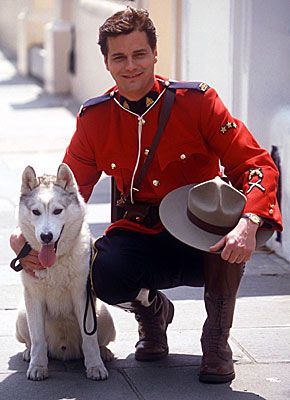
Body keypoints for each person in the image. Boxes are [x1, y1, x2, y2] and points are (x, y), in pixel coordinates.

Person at [10, 7, 282, 384]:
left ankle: (216, 340)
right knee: (100, 269)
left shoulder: (197, 102)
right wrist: (30, 240)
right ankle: (152, 313)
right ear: (106, 62)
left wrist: (250, 222)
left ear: (155, 54)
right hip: (141, 235)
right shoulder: (96, 119)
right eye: (119, 57)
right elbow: (67, 194)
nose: (131, 66)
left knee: (227, 240)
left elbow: (255, 163)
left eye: (139, 54)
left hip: (200, 237)